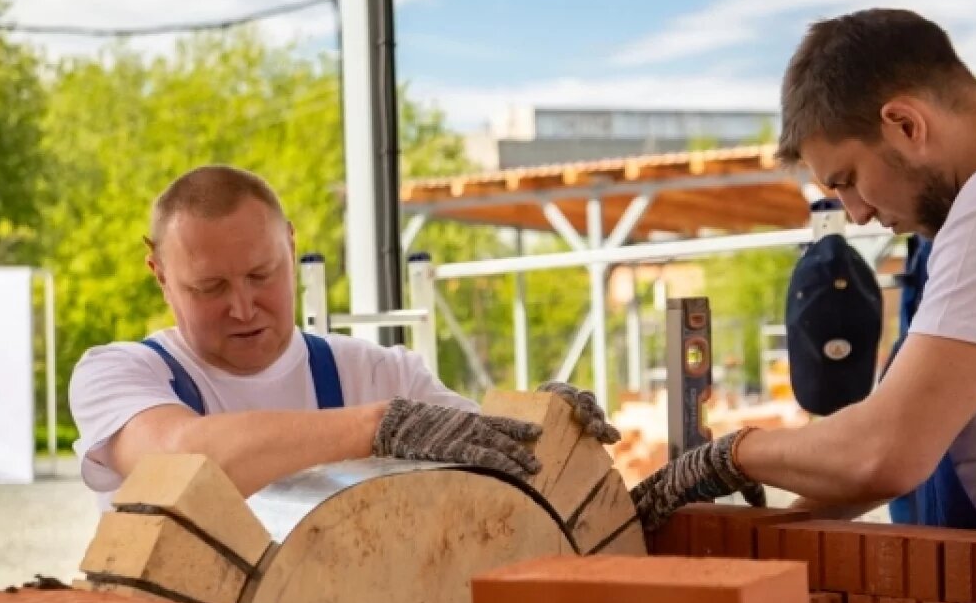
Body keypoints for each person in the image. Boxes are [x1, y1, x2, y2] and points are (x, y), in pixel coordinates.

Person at [632, 8, 976, 541]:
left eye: (849, 179)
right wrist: (770, 533)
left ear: (906, 125)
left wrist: (728, 455)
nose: (857, 213)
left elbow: (886, 452)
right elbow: (897, 436)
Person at [68, 165, 618, 509]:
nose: (242, 307)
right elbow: (177, 457)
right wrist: (378, 427)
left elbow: (507, 479)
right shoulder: (120, 374)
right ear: (160, 275)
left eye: (262, 276)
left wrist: (552, 431)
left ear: (290, 244)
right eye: (209, 287)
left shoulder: (384, 375)